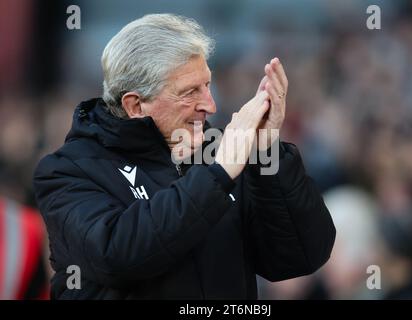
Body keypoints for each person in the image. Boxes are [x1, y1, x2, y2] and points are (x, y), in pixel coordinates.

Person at [33, 14, 336, 299]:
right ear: (136, 105)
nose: (210, 105)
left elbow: (301, 256)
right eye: (190, 91)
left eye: (207, 85)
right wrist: (217, 175)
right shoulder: (66, 171)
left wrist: (266, 150)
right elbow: (117, 254)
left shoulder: (218, 152)